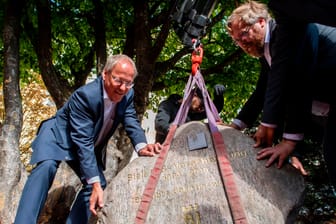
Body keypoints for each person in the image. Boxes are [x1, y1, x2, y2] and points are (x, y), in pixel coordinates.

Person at [14, 54, 162, 224]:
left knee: (96, 186)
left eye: (128, 83)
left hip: (85, 144)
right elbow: (83, 142)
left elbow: (130, 119)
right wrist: (95, 181)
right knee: (46, 167)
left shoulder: (128, 95)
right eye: (118, 80)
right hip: (58, 136)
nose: (123, 88)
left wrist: (142, 146)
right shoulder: (85, 96)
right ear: (105, 74)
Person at [226, 1, 336, 187]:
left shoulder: (287, 33)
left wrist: (289, 141)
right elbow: (262, 92)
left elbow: (296, 82)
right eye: (236, 40)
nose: (242, 42)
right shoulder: (267, 55)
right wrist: (235, 126)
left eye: (244, 33)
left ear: (261, 22)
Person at [155, 84, 225, 143]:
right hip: (163, 147)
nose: (201, 110)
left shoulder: (193, 114)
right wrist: (177, 133)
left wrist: (219, 96)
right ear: (194, 95)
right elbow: (160, 124)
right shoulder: (167, 104)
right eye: (201, 105)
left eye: (204, 108)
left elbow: (215, 110)